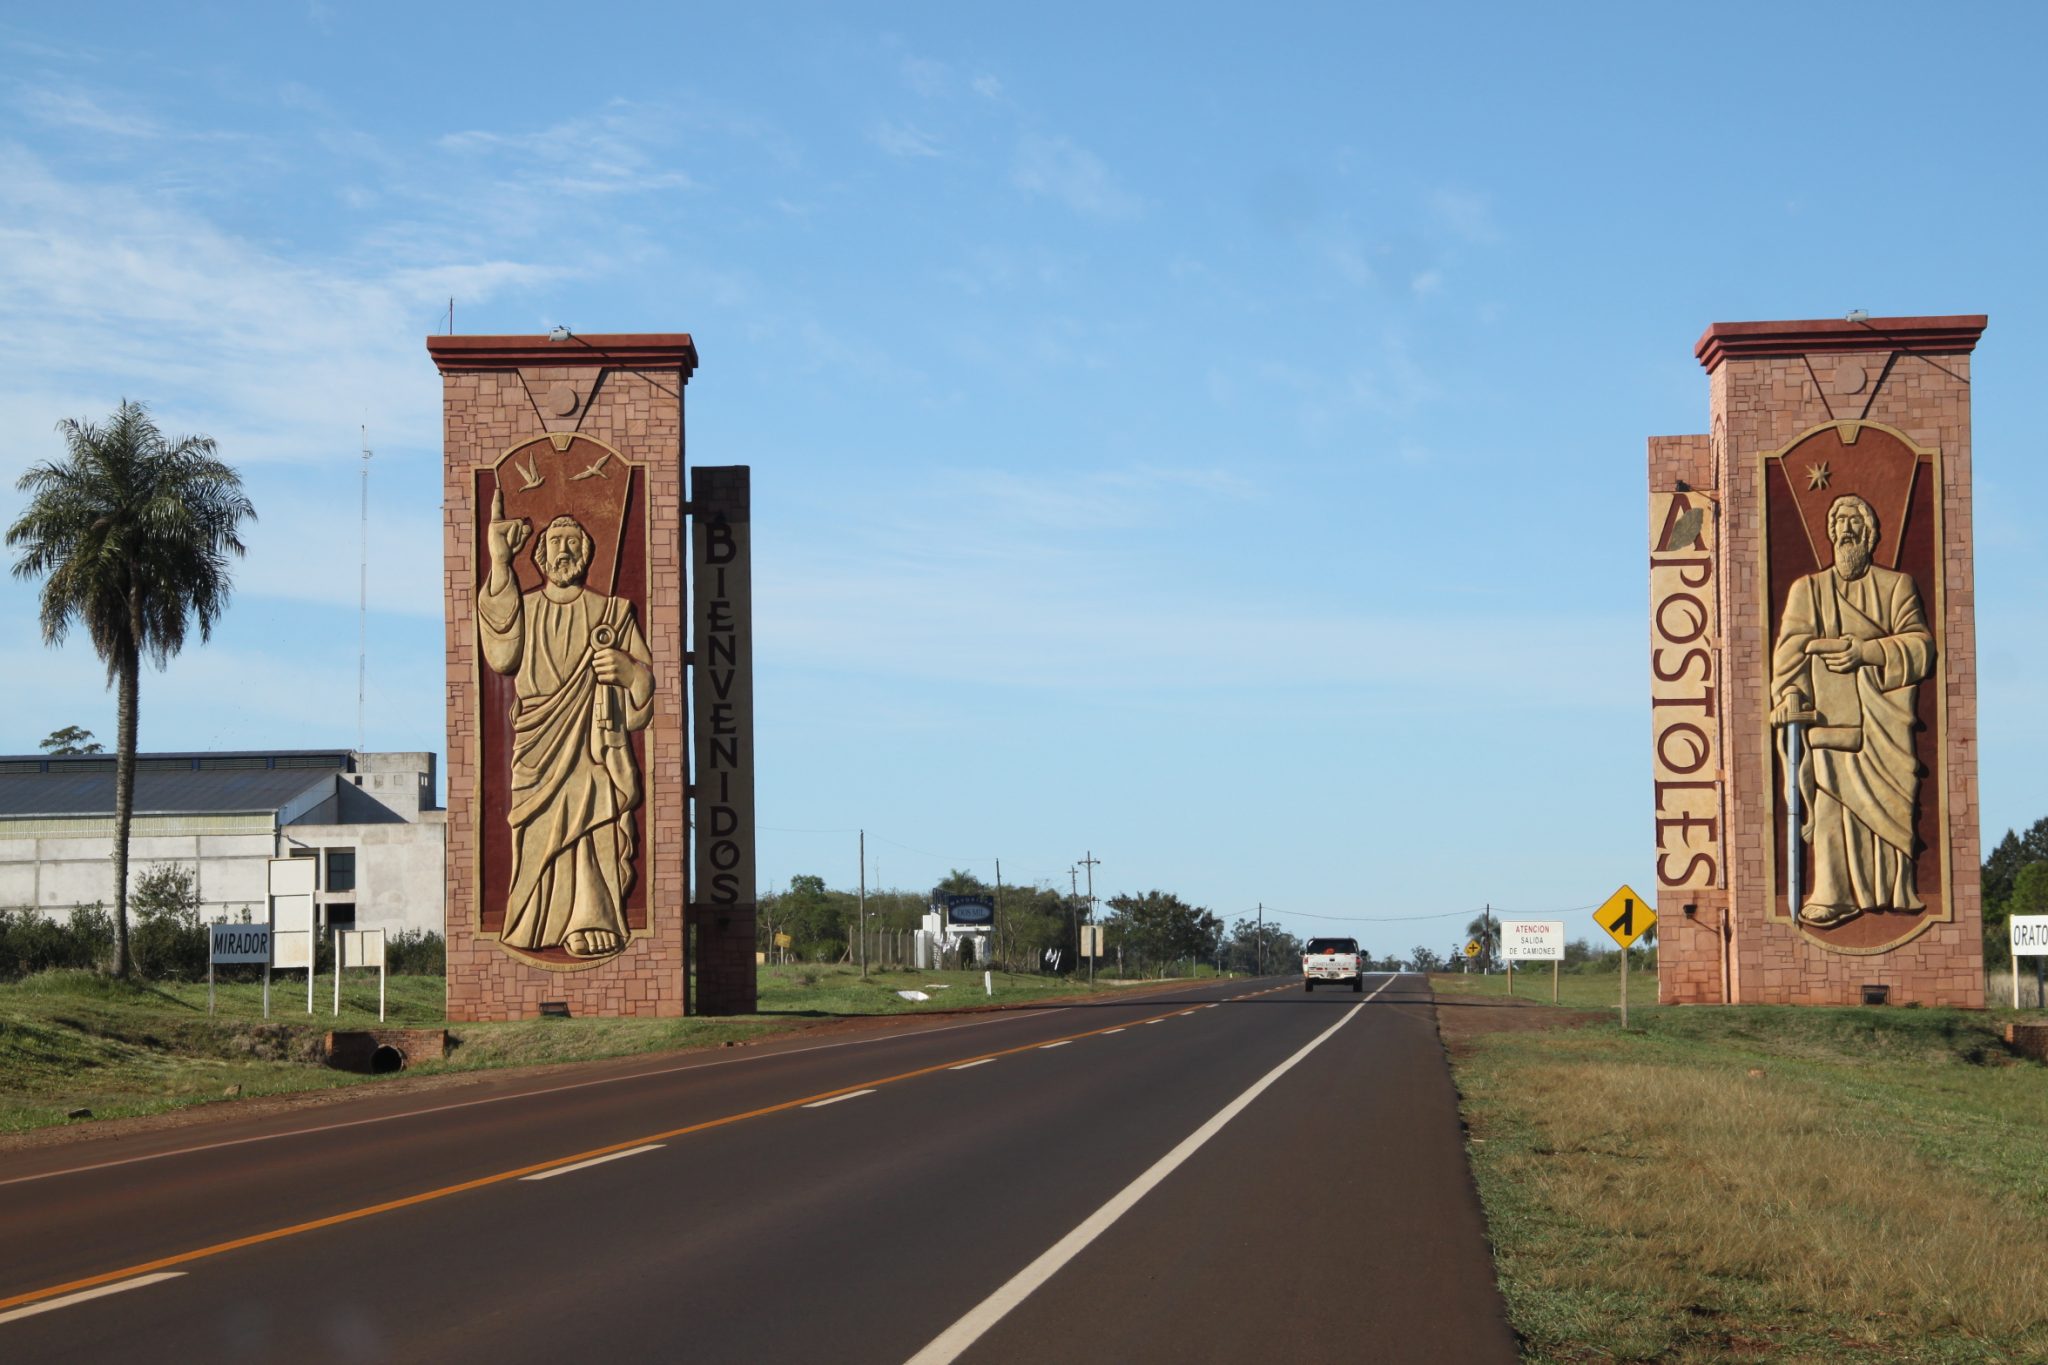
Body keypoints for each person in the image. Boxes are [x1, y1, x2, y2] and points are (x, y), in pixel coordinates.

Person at [478, 492, 655, 957]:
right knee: (537, 832)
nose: (564, 551)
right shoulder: (526, 608)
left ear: (588, 554)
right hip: (538, 744)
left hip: (594, 743)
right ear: (538, 555)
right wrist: (499, 562)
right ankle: (534, 921)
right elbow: (500, 655)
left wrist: (629, 671)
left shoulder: (613, 614)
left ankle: (592, 916)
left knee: (594, 806)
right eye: (555, 542)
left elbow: (646, 690)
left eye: (574, 543)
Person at [1768, 493, 1934, 927]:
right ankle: (1831, 892)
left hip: (1884, 724)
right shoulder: (1809, 590)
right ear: (1829, 534)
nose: (1846, 530)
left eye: (1855, 523)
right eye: (1838, 523)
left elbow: (1921, 646)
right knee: (1828, 797)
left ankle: (1892, 890)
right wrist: (1788, 695)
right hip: (1828, 715)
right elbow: (1789, 651)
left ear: (1871, 533)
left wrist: (1867, 652)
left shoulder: (1896, 586)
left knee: (1888, 805)